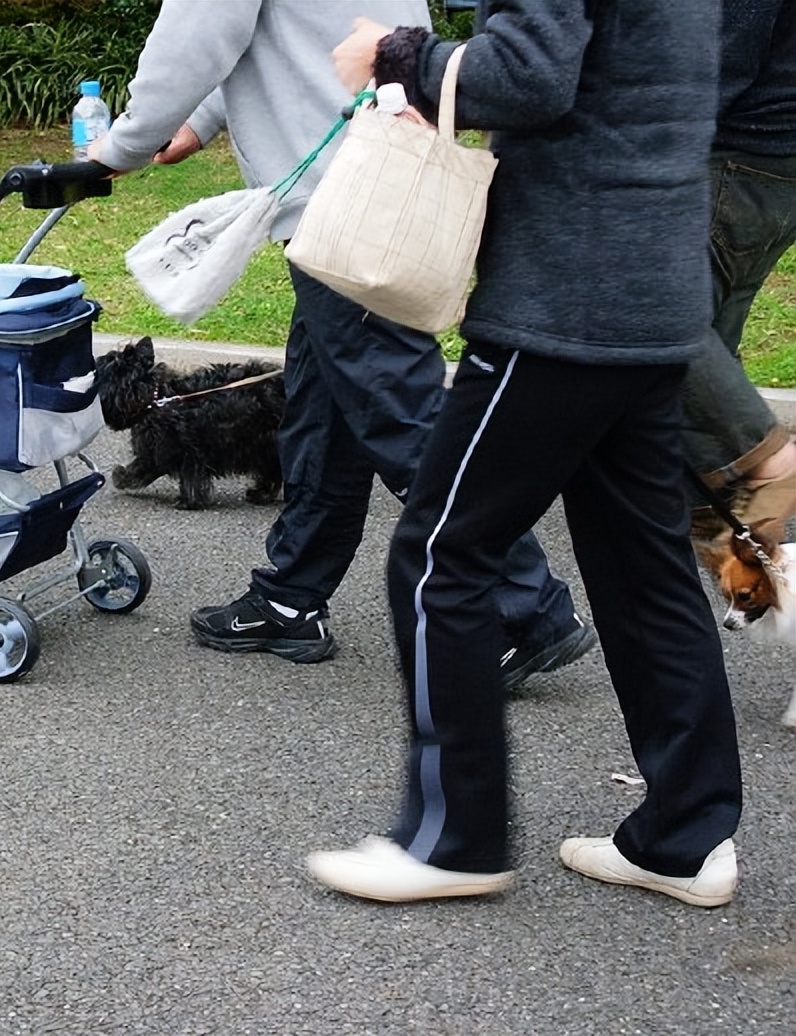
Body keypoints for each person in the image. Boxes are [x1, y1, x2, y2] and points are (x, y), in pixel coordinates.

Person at [306, 2, 743, 906]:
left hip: (564, 294)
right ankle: (685, 840)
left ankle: (452, 842)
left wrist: (396, 55)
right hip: (656, 281)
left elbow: (533, 72)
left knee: (440, 555)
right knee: (644, 568)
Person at [88, 0, 593, 686]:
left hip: (348, 206)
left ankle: (525, 606)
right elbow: (292, 35)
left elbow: (199, 34)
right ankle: (291, 597)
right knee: (322, 416)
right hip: (378, 183)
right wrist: (200, 122)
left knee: (402, 416)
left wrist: (119, 148)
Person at [682, 0, 796, 538]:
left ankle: (765, 458)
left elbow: (723, 59)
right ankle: (709, 515)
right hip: (770, 158)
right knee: (708, 341)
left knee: (657, 317)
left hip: (739, 153)